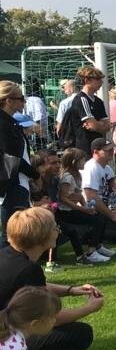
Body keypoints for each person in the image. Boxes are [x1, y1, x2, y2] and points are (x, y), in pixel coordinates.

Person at [0, 207, 104, 350]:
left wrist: (71, 290)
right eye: (54, 227)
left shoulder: (7, 255)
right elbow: (50, 318)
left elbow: (34, 289)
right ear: (40, 237)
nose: (58, 230)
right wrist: (89, 308)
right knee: (80, 334)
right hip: (4, 343)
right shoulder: (28, 269)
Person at [55, 148, 113, 265]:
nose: (84, 162)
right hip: (65, 212)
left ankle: (97, 245)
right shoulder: (67, 177)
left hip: (73, 209)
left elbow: (78, 194)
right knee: (97, 220)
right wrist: (83, 209)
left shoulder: (77, 175)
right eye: (82, 160)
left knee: (100, 216)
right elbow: (63, 198)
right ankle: (91, 251)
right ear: (74, 162)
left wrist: (87, 208)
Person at [0, 82, 40, 245]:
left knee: (14, 229)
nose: (23, 102)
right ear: (8, 101)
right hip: (11, 183)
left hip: (17, 181)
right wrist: (35, 175)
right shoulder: (4, 125)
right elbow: (12, 158)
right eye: (20, 99)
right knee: (12, 230)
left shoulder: (10, 123)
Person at [61, 66, 110, 154]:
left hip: (98, 146)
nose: (101, 82)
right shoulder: (81, 99)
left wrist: (97, 124)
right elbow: (92, 125)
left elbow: (107, 126)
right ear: (87, 80)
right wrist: (99, 124)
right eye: (98, 79)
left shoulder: (98, 101)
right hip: (85, 148)